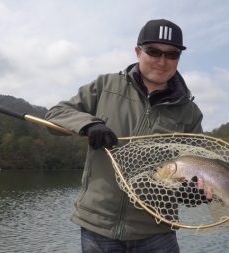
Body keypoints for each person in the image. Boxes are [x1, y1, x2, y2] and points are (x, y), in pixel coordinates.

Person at [45, 19, 206, 252]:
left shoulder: (190, 113)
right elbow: (55, 115)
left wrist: (194, 193)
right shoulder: (105, 85)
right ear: (138, 51)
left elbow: (194, 167)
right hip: (98, 227)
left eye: (171, 55)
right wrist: (88, 124)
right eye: (153, 51)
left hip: (157, 232)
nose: (162, 61)